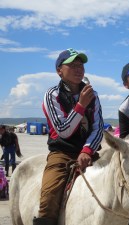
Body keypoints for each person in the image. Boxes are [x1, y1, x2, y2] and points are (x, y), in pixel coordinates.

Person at [34, 48, 104, 225]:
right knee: (50, 195)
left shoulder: (93, 95)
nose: (78, 69)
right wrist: (81, 105)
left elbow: (98, 128)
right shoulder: (52, 95)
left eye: (80, 65)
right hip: (62, 153)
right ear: (59, 70)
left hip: (89, 153)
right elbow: (63, 130)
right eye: (72, 65)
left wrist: (87, 150)